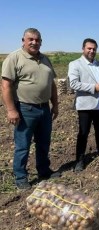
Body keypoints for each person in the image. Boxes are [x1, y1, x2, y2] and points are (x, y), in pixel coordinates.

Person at [1, 28, 60, 189]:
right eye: (31, 39)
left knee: (44, 142)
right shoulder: (14, 58)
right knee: (23, 145)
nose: (34, 42)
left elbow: (52, 84)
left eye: (37, 40)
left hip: (44, 109)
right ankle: (20, 177)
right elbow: (5, 86)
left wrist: (55, 104)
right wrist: (11, 110)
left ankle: (44, 170)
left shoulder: (45, 59)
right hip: (25, 109)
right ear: (23, 40)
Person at [68, 38, 99, 172]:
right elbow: (73, 83)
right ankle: (80, 159)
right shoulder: (75, 64)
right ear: (83, 49)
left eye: (94, 49)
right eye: (89, 48)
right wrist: (94, 87)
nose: (92, 51)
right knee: (83, 132)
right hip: (85, 105)